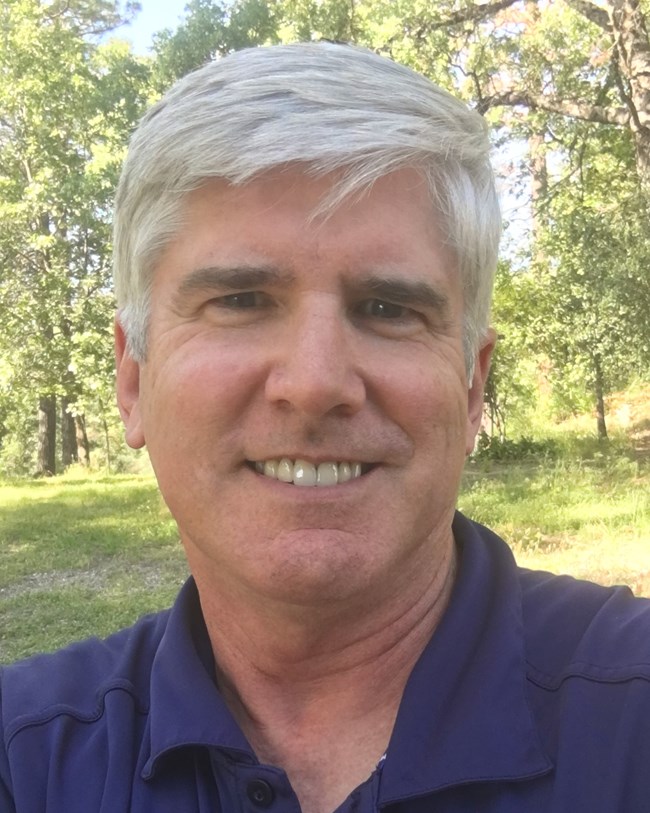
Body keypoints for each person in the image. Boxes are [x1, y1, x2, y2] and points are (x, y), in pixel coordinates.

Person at [1, 41, 649, 813]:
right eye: (240, 300)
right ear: (133, 377)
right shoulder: (26, 760)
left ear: (473, 385)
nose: (314, 383)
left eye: (387, 308)